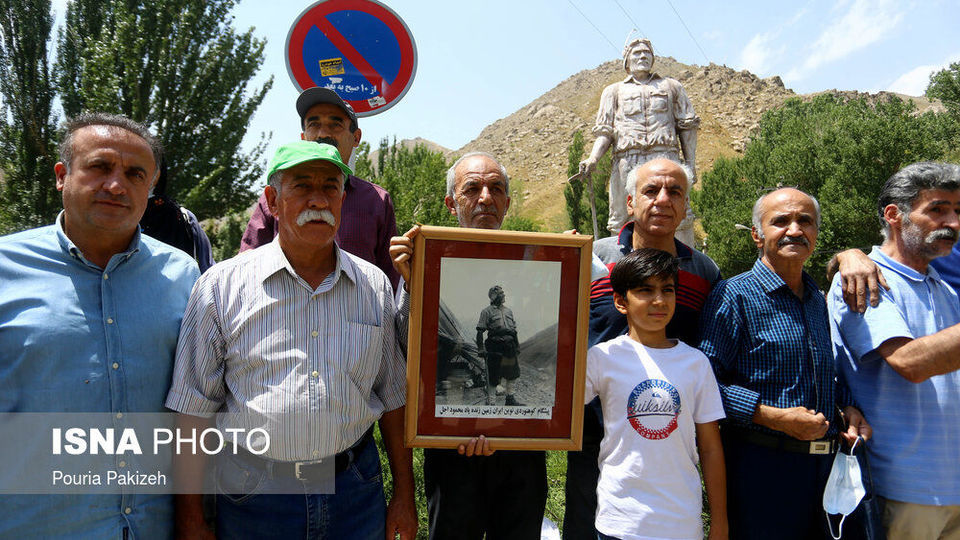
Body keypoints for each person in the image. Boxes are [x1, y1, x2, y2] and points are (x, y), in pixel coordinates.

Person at [166, 141, 416, 539]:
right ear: (273, 201)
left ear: (343, 200)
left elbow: (392, 397)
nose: (318, 199)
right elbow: (192, 409)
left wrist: (404, 494)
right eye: (302, 186)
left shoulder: (373, 286)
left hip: (353, 492)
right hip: (255, 497)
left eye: (331, 187)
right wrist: (191, 518)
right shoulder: (221, 287)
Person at [0, 112, 200, 537]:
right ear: (62, 176)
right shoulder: (6, 269)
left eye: (134, 174)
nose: (116, 185)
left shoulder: (183, 275)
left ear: (151, 187)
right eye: (100, 167)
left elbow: (197, 406)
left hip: (154, 526)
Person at [698, 187, 871, 539]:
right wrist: (770, 416)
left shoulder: (817, 300)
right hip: (762, 468)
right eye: (781, 221)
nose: (795, 230)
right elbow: (704, 385)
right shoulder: (733, 296)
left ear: (816, 233)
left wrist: (846, 407)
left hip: (826, 469)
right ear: (757, 235)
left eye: (805, 221)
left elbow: (824, 370)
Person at [391, 152, 547, 539]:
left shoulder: (539, 263)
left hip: (524, 449)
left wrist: (568, 264)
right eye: (472, 188)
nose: (485, 198)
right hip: (451, 445)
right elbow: (407, 348)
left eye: (496, 188)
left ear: (507, 202)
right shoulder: (426, 262)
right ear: (451, 203)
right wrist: (412, 283)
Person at [564, 158, 720, 539]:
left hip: (665, 442)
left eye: (675, 192)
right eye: (651, 190)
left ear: (685, 206)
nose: (663, 199)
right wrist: (553, 258)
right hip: (591, 437)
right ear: (630, 201)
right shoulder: (590, 255)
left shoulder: (704, 273)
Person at [828, 162, 960, 538]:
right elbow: (909, 362)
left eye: (957, 210)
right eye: (937, 209)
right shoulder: (863, 280)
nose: (952, 222)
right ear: (894, 215)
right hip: (903, 490)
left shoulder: (944, 290)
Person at [586, 248, 726, 540]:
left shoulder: (696, 363)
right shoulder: (602, 357)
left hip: (681, 522)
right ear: (621, 301)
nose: (659, 300)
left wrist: (720, 522)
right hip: (620, 521)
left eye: (667, 290)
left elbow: (710, 448)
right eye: (645, 291)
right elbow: (559, 409)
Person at [240, 86, 400, 290]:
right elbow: (247, 267)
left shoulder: (376, 200)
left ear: (356, 138)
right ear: (303, 137)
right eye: (314, 124)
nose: (323, 134)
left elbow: (390, 282)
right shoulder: (278, 195)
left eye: (335, 124)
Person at [578, 37, 700, 239]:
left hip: (665, 158)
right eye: (637, 53)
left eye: (647, 52)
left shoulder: (672, 86)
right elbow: (605, 131)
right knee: (621, 216)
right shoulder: (613, 91)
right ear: (627, 60)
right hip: (627, 160)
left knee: (677, 213)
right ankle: (620, 257)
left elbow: (687, 126)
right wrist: (593, 158)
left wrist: (690, 164)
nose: (643, 56)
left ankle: (683, 257)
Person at [477, 285, 523, 406]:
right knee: (494, 375)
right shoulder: (486, 312)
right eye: (500, 293)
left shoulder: (509, 311)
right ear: (494, 296)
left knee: (512, 373)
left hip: (509, 346)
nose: (503, 295)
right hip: (495, 347)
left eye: (503, 293)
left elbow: (514, 331)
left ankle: (510, 399)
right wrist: (480, 349)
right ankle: (491, 403)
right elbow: (480, 331)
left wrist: (517, 345)